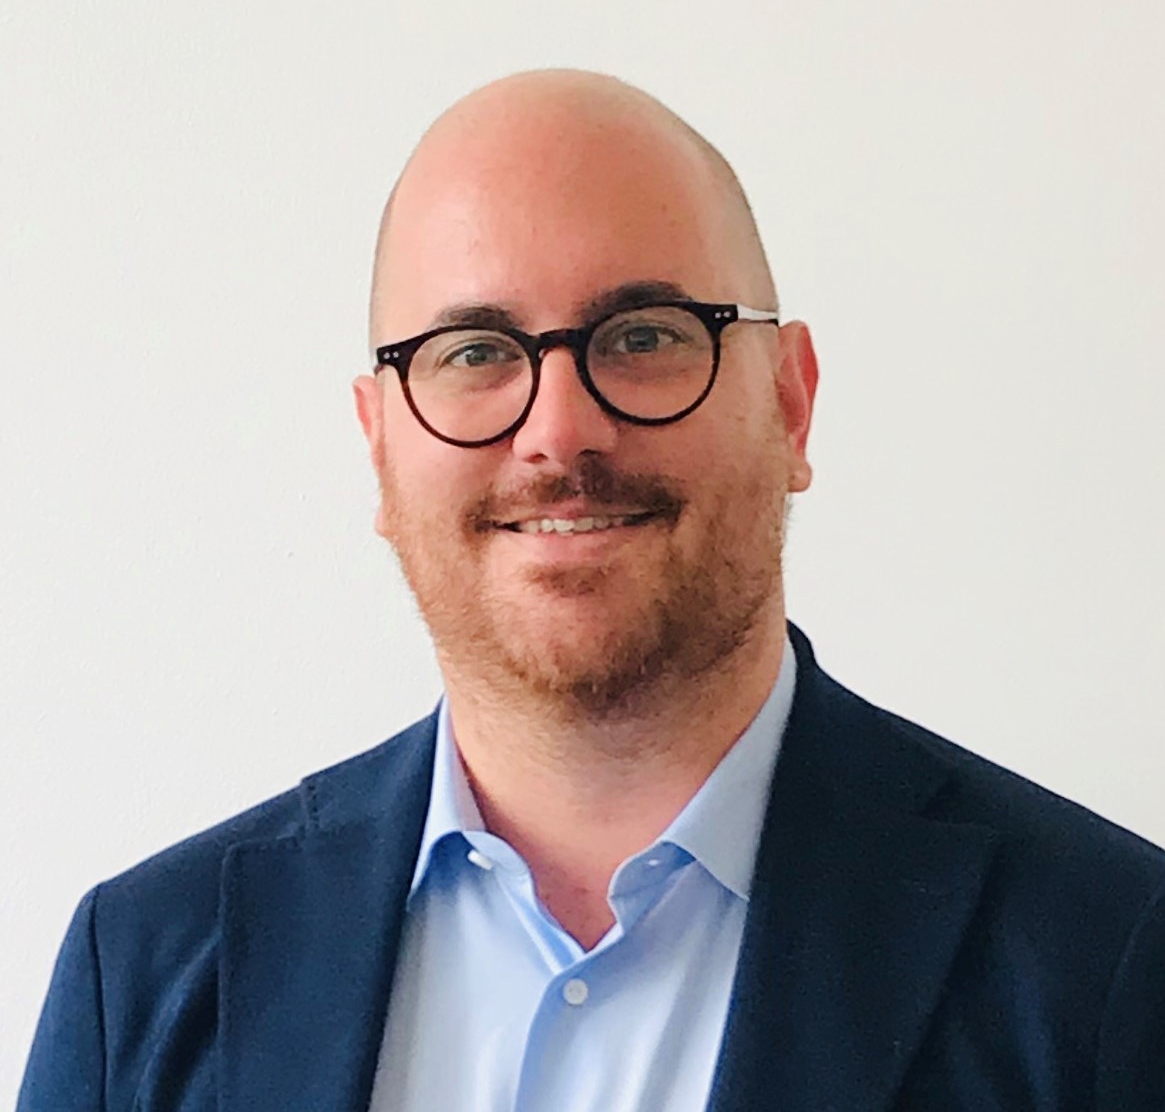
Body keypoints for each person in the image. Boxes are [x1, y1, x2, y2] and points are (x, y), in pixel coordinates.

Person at [18, 70, 1165, 1112]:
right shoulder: (147, 974)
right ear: (378, 444)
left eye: (645, 336)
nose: (560, 430)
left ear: (791, 402)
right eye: (474, 352)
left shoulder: (1109, 962)